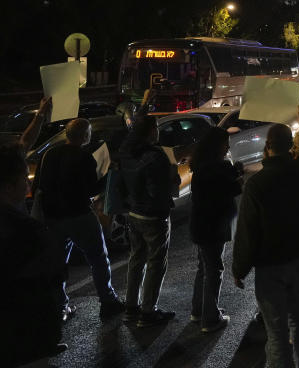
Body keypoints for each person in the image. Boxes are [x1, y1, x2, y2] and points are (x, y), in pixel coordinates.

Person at [232, 106, 299, 368]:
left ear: (267, 146)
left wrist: (239, 267)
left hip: (269, 265)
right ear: (289, 145)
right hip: (298, 257)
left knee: (276, 331)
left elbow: (247, 231)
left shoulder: (257, 184)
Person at [35, 117, 125, 322]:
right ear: (85, 136)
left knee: (57, 263)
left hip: (53, 217)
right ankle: (108, 301)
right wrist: (107, 174)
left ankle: (60, 305)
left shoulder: (49, 154)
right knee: (98, 259)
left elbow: (40, 184)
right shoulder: (84, 157)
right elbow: (92, 189)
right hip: (79, 215)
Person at [117, 89, 181, 327]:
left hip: (133, 212)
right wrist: (172, 182)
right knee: (156, 262)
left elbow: (133, 131)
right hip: (154, 216)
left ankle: (131, 307)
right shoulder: (156, 157)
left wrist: (144, 105)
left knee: (136, 260)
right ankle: (148, 311)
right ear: (151, 132)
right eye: (155, 129)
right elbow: (158, 191)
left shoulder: (127, 151)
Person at [0, 146, 66, 364]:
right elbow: (50, 275)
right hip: (24, 332)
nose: (28, 184)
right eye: (24, 179)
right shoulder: (24, 230)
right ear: (9, 186)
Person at [188, 127, 243, 332]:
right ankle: (210, 318)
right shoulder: (220, 166)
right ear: (216, 145)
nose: (228, 146)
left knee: (204, 267)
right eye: (225, 142)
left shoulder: (200, 165)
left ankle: (198, 311)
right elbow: (233, 189)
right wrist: (238, 176)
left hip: (200, 223)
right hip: (214, 225)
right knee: (214, 269)